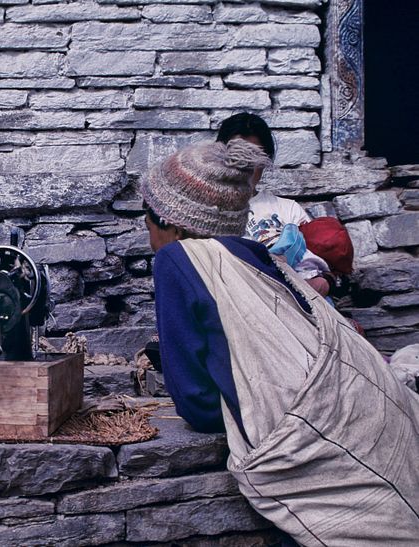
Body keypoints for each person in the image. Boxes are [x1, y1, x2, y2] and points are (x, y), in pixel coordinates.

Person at [142, 139, 419, 545]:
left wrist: (255, 416)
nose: (146, 229)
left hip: (310, 441)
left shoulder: (178, 259)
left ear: (173, 223)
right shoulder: (263, 258)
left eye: (147, 215)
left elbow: (196, 403)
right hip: (375, 415)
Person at [216, 113, 340, 297]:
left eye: (254, 156)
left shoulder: (288, 210)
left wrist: (324, 282)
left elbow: (321, 265)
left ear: (265, 160)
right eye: (237, 155)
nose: (246, 165)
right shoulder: (207, 210)